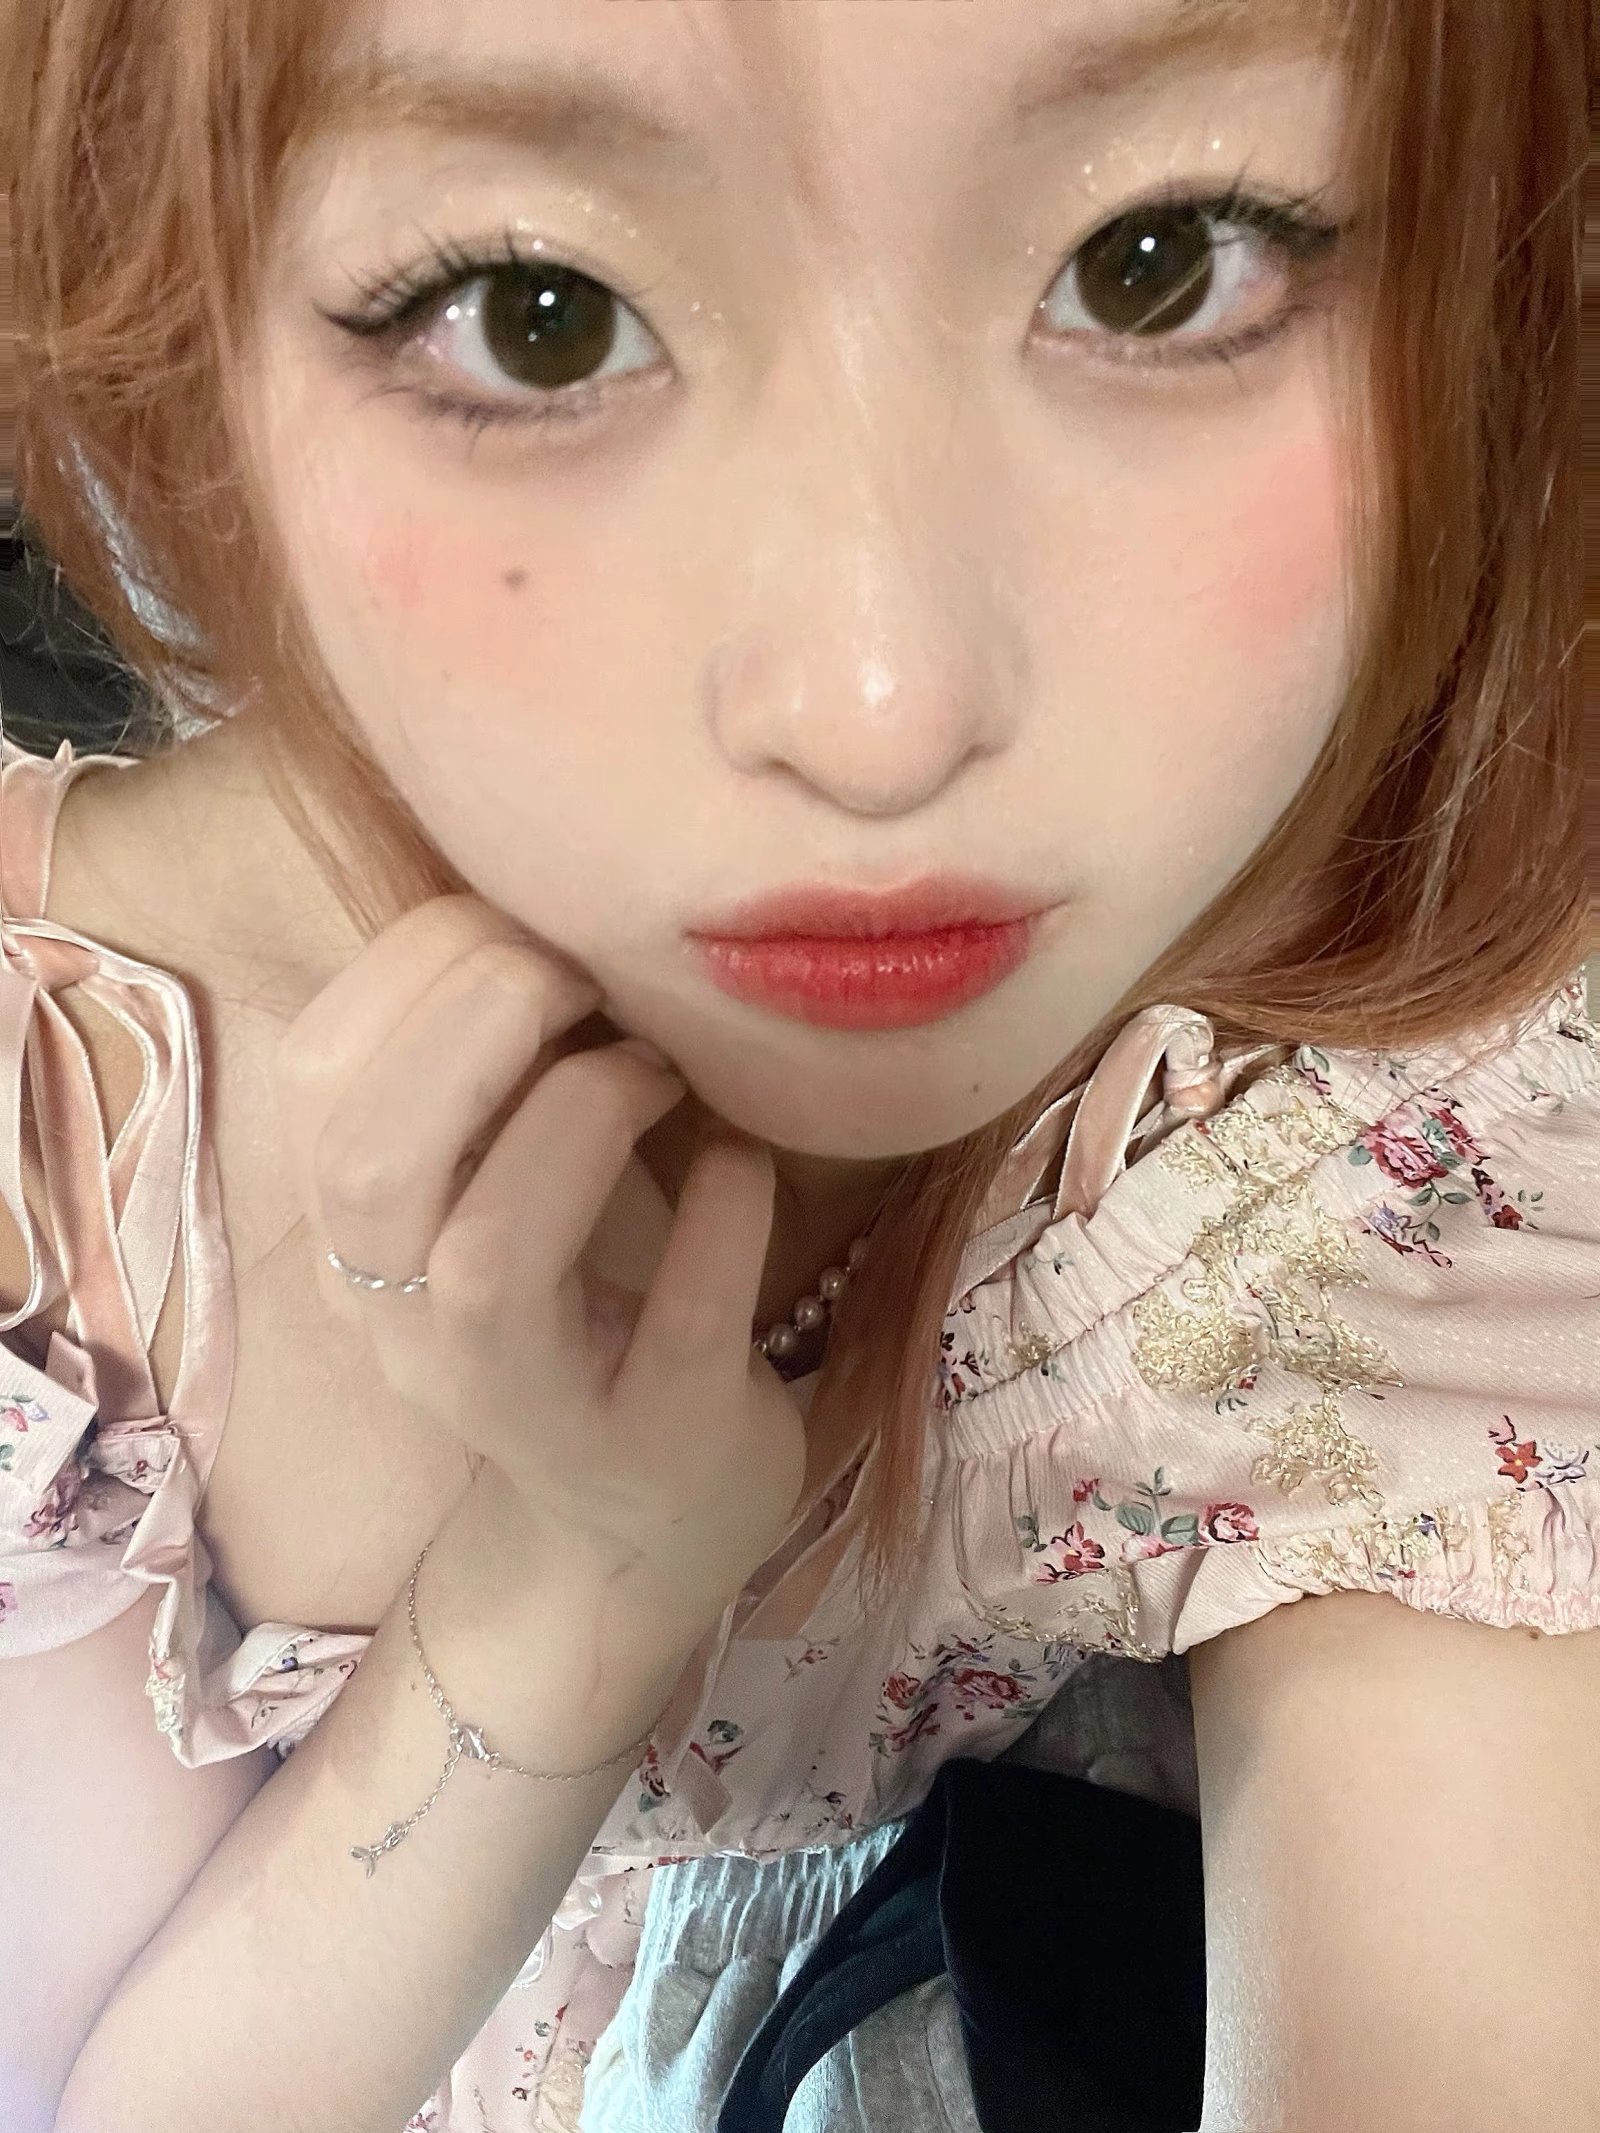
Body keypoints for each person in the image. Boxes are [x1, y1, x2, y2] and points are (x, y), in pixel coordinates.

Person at [1, 3, 1594, 2131]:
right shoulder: (53, 1159)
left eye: (1155, 264)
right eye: (540, 317)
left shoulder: (1376, 1044)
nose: (877, 712)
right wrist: (576, 1574)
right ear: (177, 331)